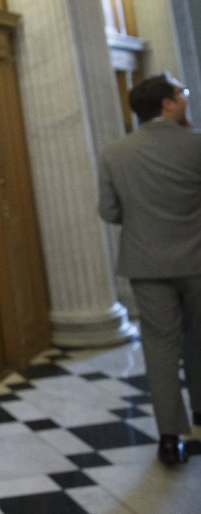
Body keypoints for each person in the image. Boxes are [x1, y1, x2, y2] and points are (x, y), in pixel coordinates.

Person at [99, 73, 201, 465]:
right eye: (182, 92)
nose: (185, 97)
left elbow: (109, 211)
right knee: (198, 339)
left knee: (158, 346)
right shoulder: (195, 144)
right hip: (196, 261)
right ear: (168, 104)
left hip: (146, 262)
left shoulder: (116, 152)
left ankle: (169, 437)